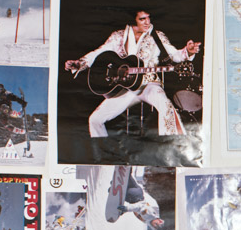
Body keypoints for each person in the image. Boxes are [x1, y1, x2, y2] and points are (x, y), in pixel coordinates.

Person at [64, 10, 199, 138]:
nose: (147, 22)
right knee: (95, 120)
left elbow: (175, 55)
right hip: (125, 89)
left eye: (148, 18)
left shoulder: (157, 36)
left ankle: (171, 146)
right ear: (132, 20)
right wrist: (79, 63)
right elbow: (98, 52)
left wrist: (188, 51)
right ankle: (104, 155)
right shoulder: (118, 37)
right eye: (142, 19)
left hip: (149, 84)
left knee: (165, 105)